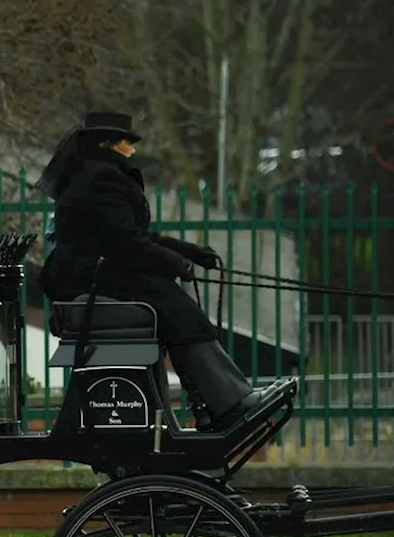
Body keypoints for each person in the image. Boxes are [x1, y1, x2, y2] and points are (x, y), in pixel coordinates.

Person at [37, 111, 270, 432]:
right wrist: (177, 264)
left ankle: (217, 398)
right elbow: (128, 244)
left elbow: (136, 238)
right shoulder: (101, 178)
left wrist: (189, 254)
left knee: (168, 298)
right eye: (126, 143)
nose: (131, 150)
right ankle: (225, 400)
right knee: (173, 303)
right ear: (107, 144)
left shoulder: (96, 174)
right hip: (90, 277)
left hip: (95, 272)